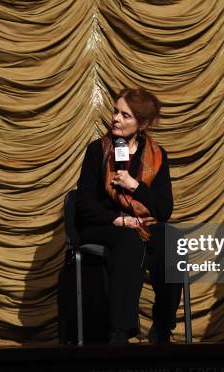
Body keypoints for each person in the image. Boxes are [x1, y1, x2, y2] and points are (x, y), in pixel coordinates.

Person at [75, 88, 182, 344]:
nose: (116, 119)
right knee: (130, 241)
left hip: (142, 223)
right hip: (103, 224)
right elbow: (84, 205)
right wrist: (119, 220)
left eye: (125, 115)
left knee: (173, 242)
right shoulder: (97, 150)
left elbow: (163, 210)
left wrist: (135, 186)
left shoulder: (157, 156)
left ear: (142, 123)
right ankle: (121, 332)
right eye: (115, 112)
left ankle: (163, 326)